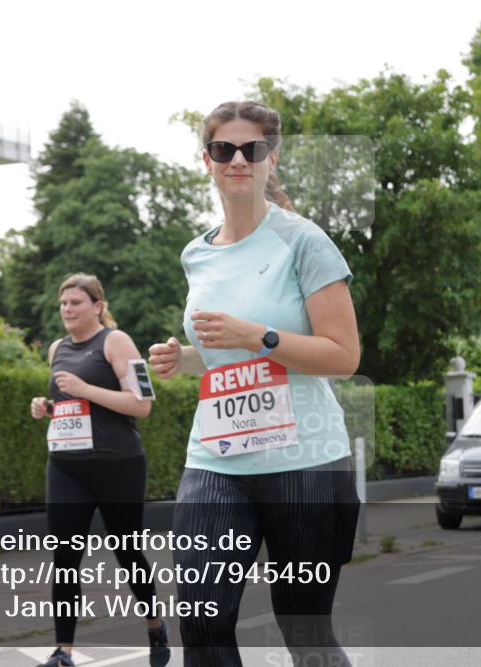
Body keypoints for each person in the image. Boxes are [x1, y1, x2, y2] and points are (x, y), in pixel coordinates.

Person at [148, 100, 361, 666]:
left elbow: (343, 355)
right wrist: (185, 359)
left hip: (306, 463)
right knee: (202, 625)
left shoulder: (305, 241)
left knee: (304, 631)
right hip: (217, 459)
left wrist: (257, 336)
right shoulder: (196, 253)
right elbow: (224, 354)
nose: (238, 160)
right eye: (224, 149)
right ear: (207, 160)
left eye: (252, 149)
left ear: (272, 158)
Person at [29, 273, 170, 667]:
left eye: (76, 302)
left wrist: (84, 389)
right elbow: (74, 407)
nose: (67, 309)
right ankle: (63, 651)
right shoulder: (57, 348)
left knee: (127, 551)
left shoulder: (116, 341)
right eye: (63, 303)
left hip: (117, 466)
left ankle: (155, 625)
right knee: (65, 557)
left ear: (97, 305)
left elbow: (142, 405)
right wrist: (48, 407)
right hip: (66, 467)